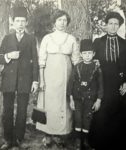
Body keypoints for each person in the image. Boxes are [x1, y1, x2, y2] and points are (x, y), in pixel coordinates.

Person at [36, 9, 80, 147]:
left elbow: (76, 62)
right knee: (49, 105)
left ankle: (61, 135)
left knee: (64, 105)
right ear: (54, 22)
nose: (62, 23)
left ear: (67, 23)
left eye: (64, 20)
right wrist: (42, 80)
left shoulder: (71, 39)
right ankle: (47, 135)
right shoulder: (47, 39)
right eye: (59, 20)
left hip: (66, 78)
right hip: (49, 78)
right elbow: (41, 61)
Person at [0, 7, 39, 150]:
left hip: (25, 80)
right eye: (18, 21)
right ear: (13, 22)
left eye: (23, 21)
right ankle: (8, 139)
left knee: (22, 111)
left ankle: (18, 139)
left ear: (26, 22)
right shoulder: (7, 38)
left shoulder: (31, 38)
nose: (20, 24)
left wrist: (35, 80)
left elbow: (35, 60)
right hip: (9, 80)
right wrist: (8, 56)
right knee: (7, 111)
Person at [89, 11, 126, 150]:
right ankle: (99, 143)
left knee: (119, 113)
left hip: (119, 84)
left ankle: (117, 143)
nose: (113, 26)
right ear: (106, 25)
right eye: (110, 23)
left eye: (116, 24)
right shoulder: (98, 42)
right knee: (101, 113)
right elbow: (91, 62)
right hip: (101, 83)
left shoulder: (124, 43)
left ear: (119, 26)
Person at [68, 39, 103, 150]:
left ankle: (85, 141)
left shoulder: (97, 68)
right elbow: (71, 84)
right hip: (77, 98)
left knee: (87, 119)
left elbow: (101, 85)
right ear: (81, 54)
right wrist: (71, 99)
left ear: (93, 54)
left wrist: (98, 100)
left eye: (89, 53)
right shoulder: (77, 67)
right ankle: (78, 142)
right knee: (78, 118)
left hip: (90, 99)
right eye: (85, 53)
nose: (87, 56)